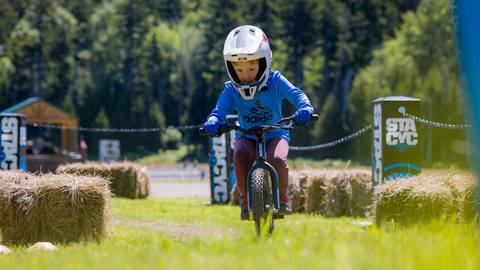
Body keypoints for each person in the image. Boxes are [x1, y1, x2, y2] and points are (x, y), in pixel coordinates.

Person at [203, 25, 314, 220]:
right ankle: (245, 200)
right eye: (239, 69)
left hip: (275, 133)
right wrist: (213, 120)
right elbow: (219, 110)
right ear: (230, 68)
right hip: (246, 134)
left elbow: (297, 94)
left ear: (265, 63)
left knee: (277, 159)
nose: (245, 75)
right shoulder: (231, 90)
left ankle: (284, 198)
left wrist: (305, 108)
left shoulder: (276, 81)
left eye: (252, 68)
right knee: (239, 157)